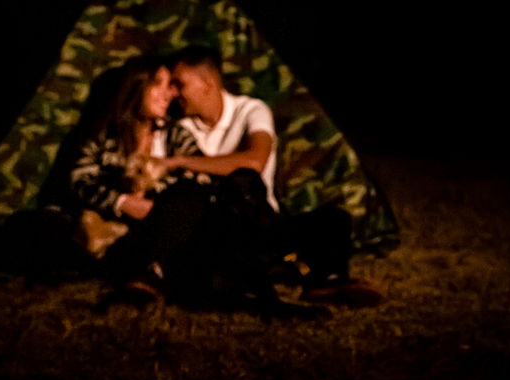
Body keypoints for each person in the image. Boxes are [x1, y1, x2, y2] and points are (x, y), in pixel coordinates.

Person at [61, 54, 326, 318]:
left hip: (188, 226)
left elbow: (210, 176)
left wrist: (168, 174)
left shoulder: (176, 133)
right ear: (138, 87)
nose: (171, 93)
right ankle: (149, 273)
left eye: (175, 84)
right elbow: (79, 180)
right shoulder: (104, 136)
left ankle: (305, 280)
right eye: (162, 84)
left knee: (325, 222)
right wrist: (123, 202)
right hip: (133, 234)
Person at [162, 45, 383, 307]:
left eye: (179, 84)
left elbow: (255, 161)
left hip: (263, 224)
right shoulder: (180, 128)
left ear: (207, 83)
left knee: (334, 221)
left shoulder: (250, 111)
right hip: (221, 230)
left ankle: (324, 281)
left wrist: (181, 161)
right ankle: (284, 269)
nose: (173, 93)